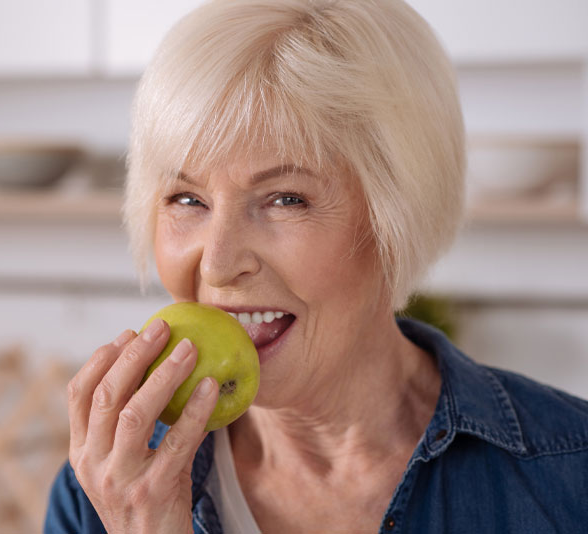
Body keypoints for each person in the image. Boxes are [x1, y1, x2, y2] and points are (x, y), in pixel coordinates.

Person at [44, 0, 588, 532]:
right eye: (187, 199)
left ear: (396, 216)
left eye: (285, 199)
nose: (217, 263)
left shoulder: (570, 475)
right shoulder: (105, 496)